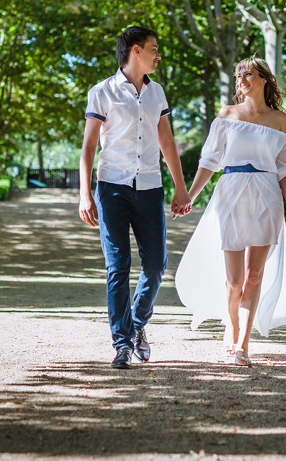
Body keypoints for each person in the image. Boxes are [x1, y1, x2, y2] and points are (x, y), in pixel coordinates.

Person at [175, 58, 286, 367]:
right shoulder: (226, 115)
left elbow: (285, 168)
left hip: (266, 194)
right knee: (234, 280)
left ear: (264, 79)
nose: (241, 79)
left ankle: (243, 345)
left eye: (248, 73)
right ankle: (231, 327)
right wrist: (189, 197)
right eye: (239, 75)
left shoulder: (279, 119)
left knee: (254, 275)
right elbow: (209, 161)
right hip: (232, 192)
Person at [79, 26, 190, 369]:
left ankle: (138, 323)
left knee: (156, 266)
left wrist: (180, 186)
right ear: (136, 51)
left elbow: (167, 141)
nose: (159, 55)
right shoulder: (103, 92)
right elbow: (89, 146)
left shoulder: (157, 93)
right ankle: (122, 344)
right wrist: (85, 194)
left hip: (150, 187)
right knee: (118, 268)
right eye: (155, 49)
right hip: (112, 187)